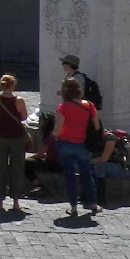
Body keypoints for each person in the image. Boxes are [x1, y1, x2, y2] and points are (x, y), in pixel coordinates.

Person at [52, 77, 100, 218]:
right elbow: (96, 126)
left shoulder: (63, 107)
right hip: (82, 144)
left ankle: (73, 207)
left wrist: (54, 136)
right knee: (86, 174)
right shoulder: (89, 105)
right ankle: (93, 203)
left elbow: (58, 130)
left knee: (70, 176)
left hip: (65, 143)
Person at [0, 73, 28, 215]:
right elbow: (24, 117)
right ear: (13, 85)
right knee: (17, 168)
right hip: (17, 136)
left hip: (0, 136)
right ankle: (16, 201)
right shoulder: (19, 100)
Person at [92, 129, 130, 206]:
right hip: (111, 167)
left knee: (99, 166)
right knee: (89, 167)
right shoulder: (96, 139)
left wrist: (87, 161)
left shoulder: (110, 138)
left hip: (122, 169)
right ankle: (88, 194)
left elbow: (103, 159)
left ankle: (100, 198)